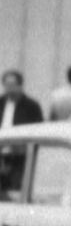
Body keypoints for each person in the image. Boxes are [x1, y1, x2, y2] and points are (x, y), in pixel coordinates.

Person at [0, 70, 43, 199]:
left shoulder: (31, 106)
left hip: (20, 157)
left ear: (20, 86)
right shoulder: (1, 103)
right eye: (7, 85)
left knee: (15, 189)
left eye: (13, 85)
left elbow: (38, 131)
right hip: (1, 154)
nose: (9, 89)